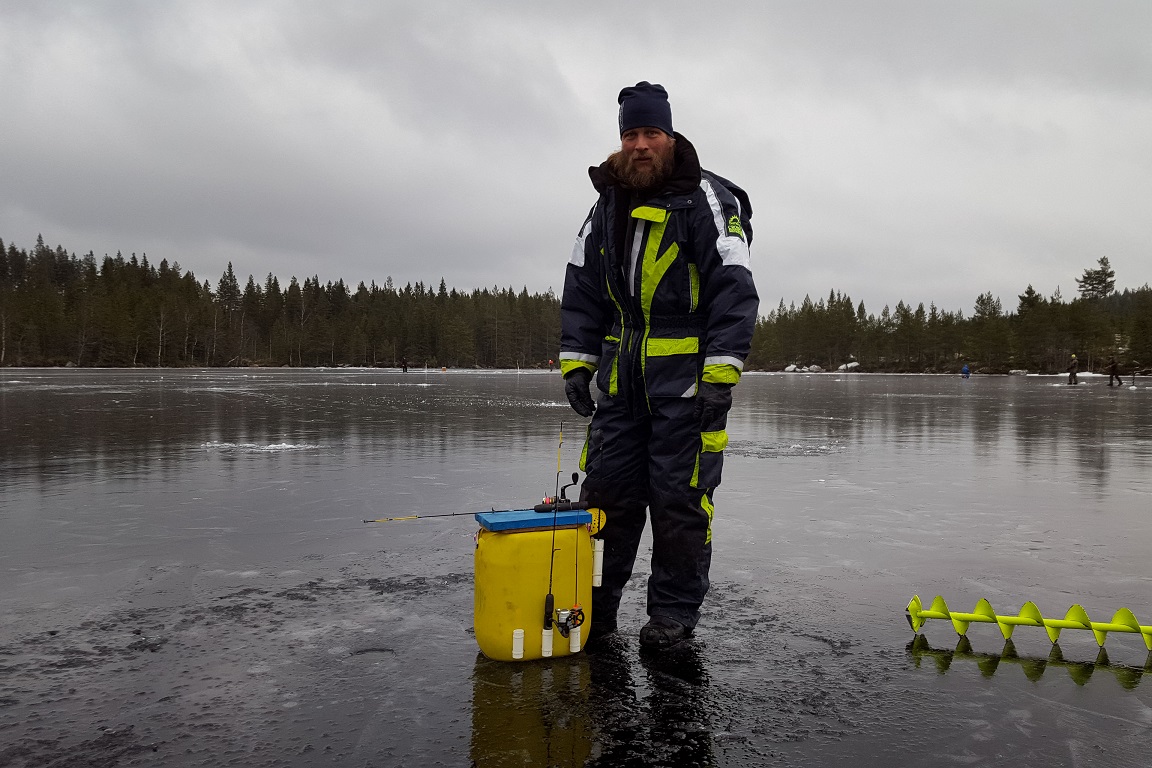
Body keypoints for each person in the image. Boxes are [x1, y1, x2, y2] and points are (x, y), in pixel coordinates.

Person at [559, 82, 759, 650]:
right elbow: (582, 287)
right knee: (606, 500)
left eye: (651, 133)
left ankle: (672, 618)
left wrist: (721, 376)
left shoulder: (708, 202)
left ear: (669, 137)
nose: (640, 144)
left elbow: (735, 290)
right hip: (621, 388)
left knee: (680, 503)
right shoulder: (606, 204)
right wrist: (578, 362)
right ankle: (596, 612)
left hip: (687, 390)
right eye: (630, 134)